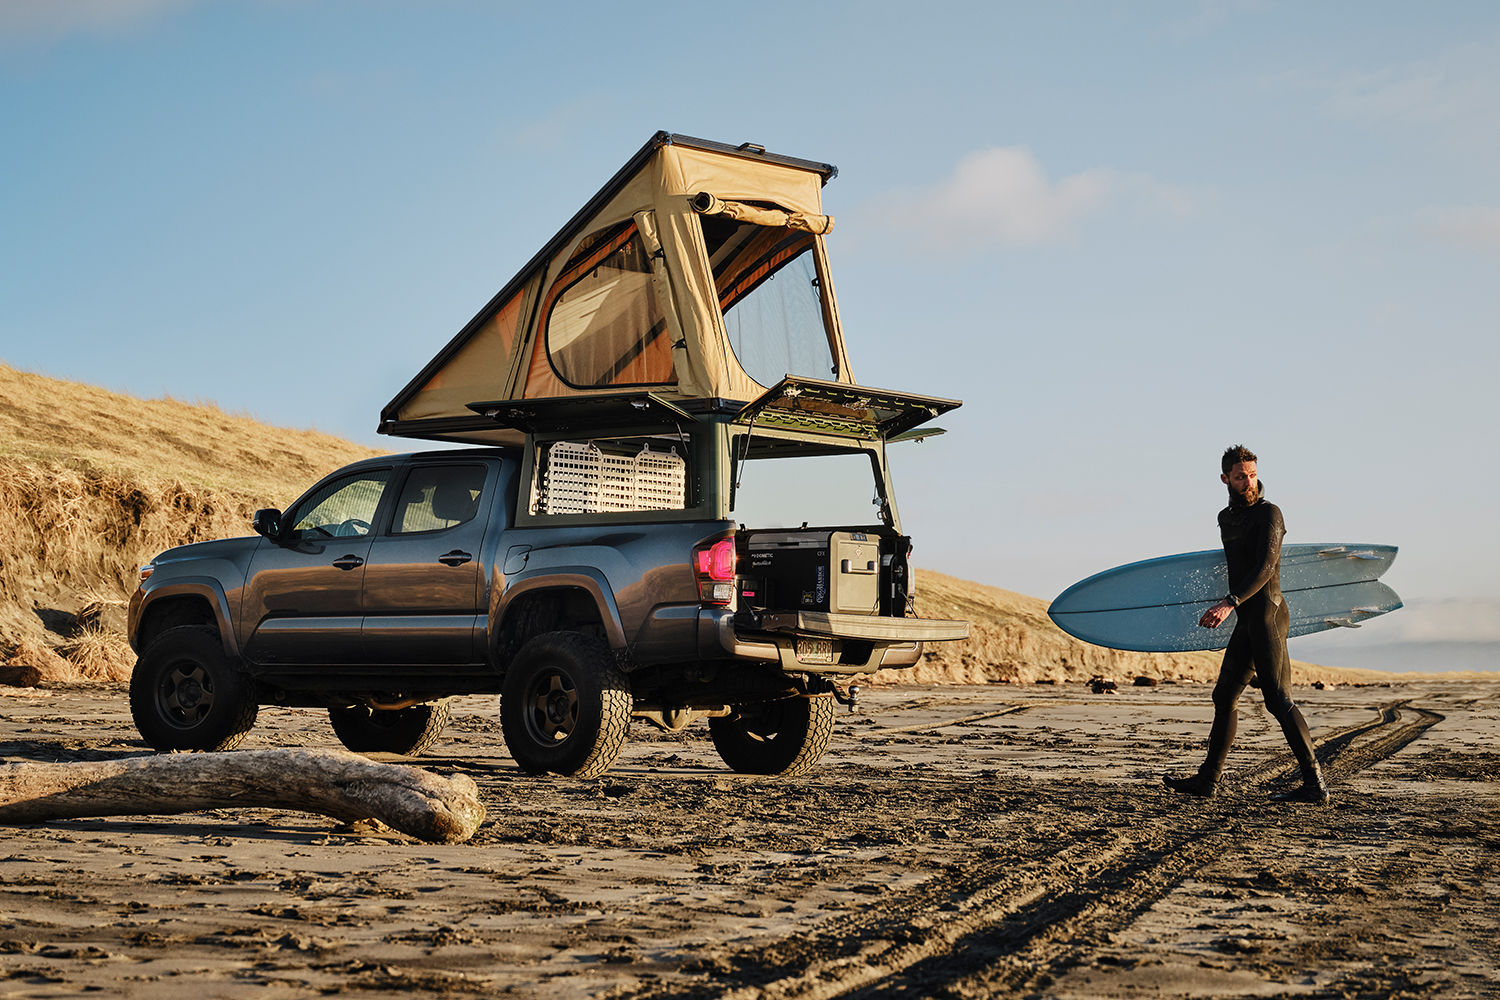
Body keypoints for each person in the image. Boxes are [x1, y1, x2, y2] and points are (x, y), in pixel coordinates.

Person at [1164, 445, 1329, 804]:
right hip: (1246, 619)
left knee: (1278, 699)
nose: (1248, 482)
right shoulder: (1226, 518)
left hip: (1268, 615)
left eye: (1252, 475)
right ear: (1225, 478)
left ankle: (1315, 785)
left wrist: (1229, 603)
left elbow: (1266, 567)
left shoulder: (1270, 514)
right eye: (1240, 476)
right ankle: (1208, 780)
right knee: (1224, 696)